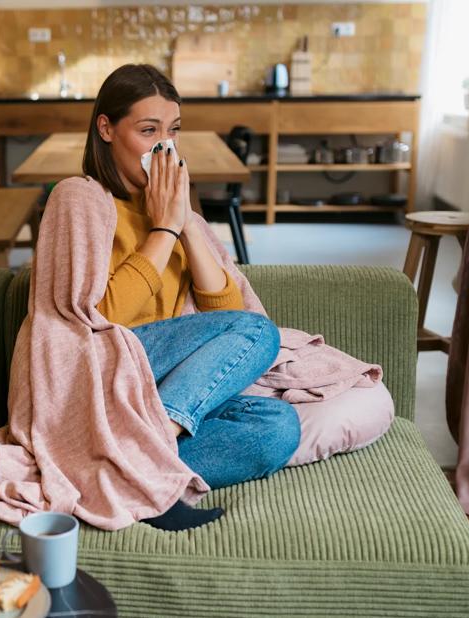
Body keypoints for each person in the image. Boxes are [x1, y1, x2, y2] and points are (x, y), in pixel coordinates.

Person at [69, 64, 301, 531]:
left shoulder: (171, 208)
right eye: (148, 130)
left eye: (172, 131)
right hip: (108, 370)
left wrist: (187, 222)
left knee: (278, 427)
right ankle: (147, 465)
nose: (164, 146)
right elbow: (98, 316)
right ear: (107, 128)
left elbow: (227, 319)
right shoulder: (84, 199)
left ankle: (124, 466)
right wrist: (164, 229)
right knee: (259, 331)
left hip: (163, 387)